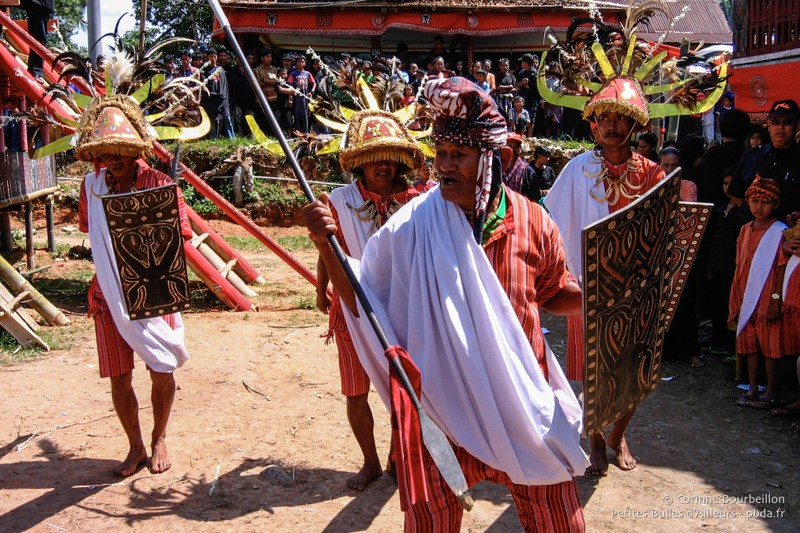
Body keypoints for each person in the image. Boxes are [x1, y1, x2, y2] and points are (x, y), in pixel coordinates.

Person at [303, 77, 588, 531]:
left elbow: (555, 294)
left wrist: (603, 298)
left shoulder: (534, 220)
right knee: (429, 522)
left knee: (559, 521)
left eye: (460, 156)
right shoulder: (415, 223)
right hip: (438, 405)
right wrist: (325, 244)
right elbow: (364, 300)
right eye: (440, 155)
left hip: (521, 401)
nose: (445, 167)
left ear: (498, 158)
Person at [544, 77, 665, 476]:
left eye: (620, 118)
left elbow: (664, 229)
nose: (612, 125)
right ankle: (596, 440)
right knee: (595, 370)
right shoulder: (578, 169)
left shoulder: (651, 174)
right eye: (604, 119)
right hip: (589, 285)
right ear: (593, 125)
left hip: (638, 288)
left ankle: (618, 434)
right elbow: (551, 220)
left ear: (635, 126)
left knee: (635, 370)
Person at [76, 96, 191, 477]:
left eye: (120, 149)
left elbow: (181, 239)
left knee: (161, 368)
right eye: (105, 152)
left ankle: (159, 437)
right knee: (119, 377)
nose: (114, 157)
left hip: (154, 292)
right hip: (106, 296)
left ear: (135, 147)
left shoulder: (160, 182)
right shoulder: (91, 188)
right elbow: (94, 236)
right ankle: (135, 445)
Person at [315, 109, 424, 491]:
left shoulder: (419, 199)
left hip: (403, 311)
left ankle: (398, 456)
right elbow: (329, 247)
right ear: (359, 160)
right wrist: (320, 289)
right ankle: (370, 462)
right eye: (374, 156)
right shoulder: (340, 201)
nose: (383, 164)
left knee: (403, 389)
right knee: (356, 391)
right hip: (351, 310)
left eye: (390, 156)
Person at [729, 177, 788, 409]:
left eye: (765, 202)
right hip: (745, 294)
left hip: (767, 296)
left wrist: (775, 299)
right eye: (754, 201)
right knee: (749, 344)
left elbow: (781, 268)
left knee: (770, 346)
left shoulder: (780, 231)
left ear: (774, 204)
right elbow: (740, 264)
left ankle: (771, 391)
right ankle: (753, 388)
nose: (758, 207)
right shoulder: (745, 230)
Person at [729, 99, 800, 218]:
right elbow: (734, 193)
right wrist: (753, 214)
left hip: (790, 232)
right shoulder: (752, 156)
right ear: (768, 125)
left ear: (797, 126)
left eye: (787, 122)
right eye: (776, 122)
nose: (780, 127)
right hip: (752, 231)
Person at [201, 49, 234, 139]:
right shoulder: (204, 70)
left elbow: (224, 85)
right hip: (210, 99)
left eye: (214, 56)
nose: (213, 58)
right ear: (208, 58)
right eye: (211, 56)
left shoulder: (221, 70)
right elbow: (203, 84)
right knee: (211, 121)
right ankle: (213, 139)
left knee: (227, 119)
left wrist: (222, 96)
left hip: (222, 99)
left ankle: (232, 139)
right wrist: (209, 93)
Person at [19, 0, 54, 79]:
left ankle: (36, 71)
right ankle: (36, 70)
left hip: (40, 3)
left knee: (38, 37)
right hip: (36, 3)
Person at [500, 132, 539, 202]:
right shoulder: (496, 170)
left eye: (515, 146)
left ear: (520, 149)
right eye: (509, 146)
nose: (513, 150)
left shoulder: (528, 172)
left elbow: (534, 200)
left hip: (520, 211)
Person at [287, 55, 316, 135]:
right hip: (296, 99)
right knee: (296, 116)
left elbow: (314, 83)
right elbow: (289, 85)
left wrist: (311, 91)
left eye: (302, 61)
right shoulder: (293, 73)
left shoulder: (307, 73)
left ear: (305, 63)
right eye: (299, 62)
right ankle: (297, 133)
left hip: (305, 99)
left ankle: (306, 133)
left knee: (305, 116)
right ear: (296, 63)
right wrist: (290, 98)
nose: (301, 63)